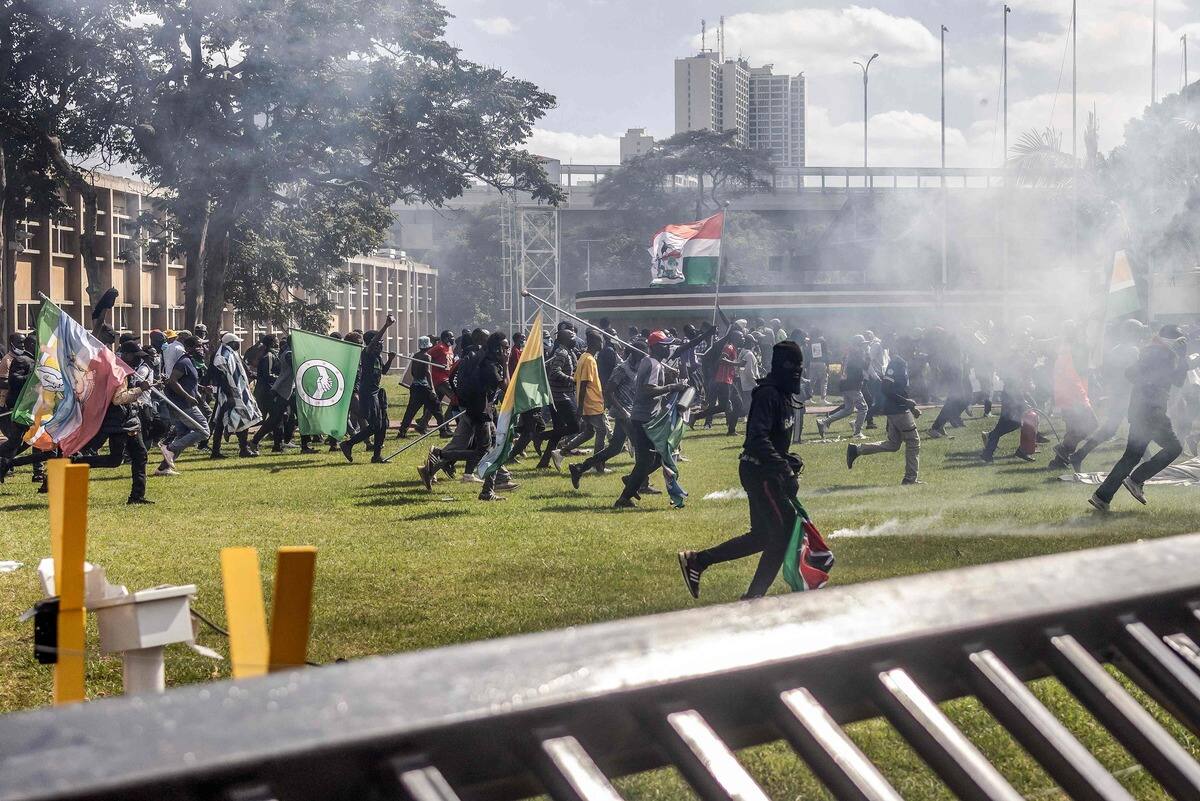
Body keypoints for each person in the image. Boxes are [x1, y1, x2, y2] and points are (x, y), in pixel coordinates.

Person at [677, 341, 806, 600]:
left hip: (766, 471)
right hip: (761, 474)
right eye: (794, 367)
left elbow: (772, 437)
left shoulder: (781, 394)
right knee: (783, 532)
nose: (798, 373)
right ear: (784, 366)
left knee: (762, 536)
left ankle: (698, 560)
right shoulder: (768, 394)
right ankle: (754, 597)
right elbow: (757, 438)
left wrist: (788, 459)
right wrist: (783, 468)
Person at [1088, 326, 1188, 512]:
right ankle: (1136, 479)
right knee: (1175, 448)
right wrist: (1182, 358)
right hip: (1153, 412)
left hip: (1139, 411)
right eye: (1180, 340)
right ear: (1171, 340)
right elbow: (1179, 381)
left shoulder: (1150, 351)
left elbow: (1130, 374)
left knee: (1131, 456)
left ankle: (1101, 497)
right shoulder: (1164, 355)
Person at [421, 331, 517, 501]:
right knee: (484, 452)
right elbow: (506, 387)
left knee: (492, 449)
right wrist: (506, 362)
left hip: (480, 409)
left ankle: (489, 489)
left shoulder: (483, 358)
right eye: (505, 348)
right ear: (496, 348)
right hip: (480, 412)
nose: (507, 351)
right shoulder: (489, 365)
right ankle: (441, 454)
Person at [614, 331, 688, 508]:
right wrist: (672, 387)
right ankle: (625, 496)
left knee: (654, 458)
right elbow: (648, 389)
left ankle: (632, 481)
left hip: (644, 417)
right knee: (647, 460)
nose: (669, 348)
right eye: (666, 345)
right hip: (644, 419)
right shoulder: (654, 364)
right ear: (656, 347)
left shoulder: (649, 362)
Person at [1070, 320, 1145, 472]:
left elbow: (1108, 373)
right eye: (1138, 331)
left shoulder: (1117, 349)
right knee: (1135, 429)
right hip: (1127, 396)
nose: (1141, 335)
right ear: (1132, 332)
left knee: (1122, 430)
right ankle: (1079, 455)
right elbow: (1136, 374)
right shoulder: (1132, 350)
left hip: (1119, 394)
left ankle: (1079, 455)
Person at [569, 339, 643, 487]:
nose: (645, 358)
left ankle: (580, 468)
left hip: (630, 412)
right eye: (643, 354)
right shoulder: (622, 369)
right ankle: (640, 483)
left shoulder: (637, 368)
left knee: (615, 448)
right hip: (623, 414)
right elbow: (608, 391)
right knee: (640, 447)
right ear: (635, 354)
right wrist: (622, 410)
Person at [846, 349, 922, 484]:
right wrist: (906, 403)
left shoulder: (902, 364)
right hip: (898, 411)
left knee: (893, 444)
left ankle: (856, 450)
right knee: (913, 442)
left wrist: (911, 407)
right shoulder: (896, 364)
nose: (915, 350)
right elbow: (886, 388)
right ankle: (910, 478)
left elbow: (900, 390)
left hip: (898, 410)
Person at [341, 316, 396, 463]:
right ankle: (348, 444)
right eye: (378, 343)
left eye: (382, 344)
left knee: (382, 424)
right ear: (372, 343)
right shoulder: (367, 354)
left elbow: (383, 371)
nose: (381, 346)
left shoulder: (378, 357)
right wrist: (385, 326)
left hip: (377, 392)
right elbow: (373, 343)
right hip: (368, 394)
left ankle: (377, 455)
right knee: (375, 425)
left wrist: (390, 359)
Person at [155, 334, 211, 475]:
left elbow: (187, 382)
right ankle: (170, 448)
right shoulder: (184, 362)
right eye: (199, 345)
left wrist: (201, 388)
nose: (202, 348)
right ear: (190, 348)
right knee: (204, 431)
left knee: (183, 434)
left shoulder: (190, 362)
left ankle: (163, 468)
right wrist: (187, 396)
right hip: (183, 404)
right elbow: (173, 381)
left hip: (181, 403)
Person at [552, 329, 607, 466]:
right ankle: (597, 464)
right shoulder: (589, 360)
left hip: (588, 402)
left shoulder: (584, 357)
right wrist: (580, 407)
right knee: (602, 431)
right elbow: (583, 384)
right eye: (601, 341)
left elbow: (577, 379)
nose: (602, 344)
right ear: (594, 342)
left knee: (589, 432)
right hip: (592, 403)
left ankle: (562, 451)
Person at [1047, 322, 1097, 470]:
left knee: (1073, 430)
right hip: (1074, 396)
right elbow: (1072, 376)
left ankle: (1057, 462)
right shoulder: (1071, 351)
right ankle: (1063, 450)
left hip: (1067, 396)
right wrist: (1083, 397)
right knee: (1092, 424)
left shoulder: (1065, 349)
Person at [209, 333, 261, 459]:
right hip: (229, 394)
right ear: (232, 343)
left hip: (239, 392)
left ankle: (242, 448)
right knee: (223, 421)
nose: (239, 344)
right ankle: (219, 450)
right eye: (237, 342)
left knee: (242, 417)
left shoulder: (232, 353)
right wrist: (230, 394)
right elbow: (222, 377)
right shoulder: (222, 356)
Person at [537, 329, 580, 469]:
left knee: (559, 429)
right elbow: (555, 372)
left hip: (559, 395)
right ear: (564, 339)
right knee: (575, 426)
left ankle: (544, 462)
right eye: (571, 336)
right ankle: (541, 436)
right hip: (560, 396)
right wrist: (571, 379)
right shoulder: (562, 353)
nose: (574, 339)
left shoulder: (566, 352)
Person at [816, 335, 869, 439]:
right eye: (862, 345)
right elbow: (864, 367)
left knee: (848, 409)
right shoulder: (856, 354)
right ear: (857, 345)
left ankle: (824, 422)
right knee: (863, 408)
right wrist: (867, 356)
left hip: (846, 384)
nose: (864, 347)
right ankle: (857, 433)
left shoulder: (850, 354)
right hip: (852, 385)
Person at [696, 330, 742, 434]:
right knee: (724, 405)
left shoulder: (733, 348)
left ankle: (731, 430)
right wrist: (738, 364)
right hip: (723, 380)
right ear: (735, 338)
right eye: (741, 336)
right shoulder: (729, 347)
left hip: (728, 380)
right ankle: (696, 417)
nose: (743, 339)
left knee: (736, 404)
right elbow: (721, 359)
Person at [398, 336, 445, 437]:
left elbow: (413, 371)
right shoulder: (427, 356)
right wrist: (432, 389)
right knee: (437, 408)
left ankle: (402, 431)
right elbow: (427, 372)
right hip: (424, 387)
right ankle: (443, 430)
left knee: (411, 410)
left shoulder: (415, 355)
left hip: (415, 386)